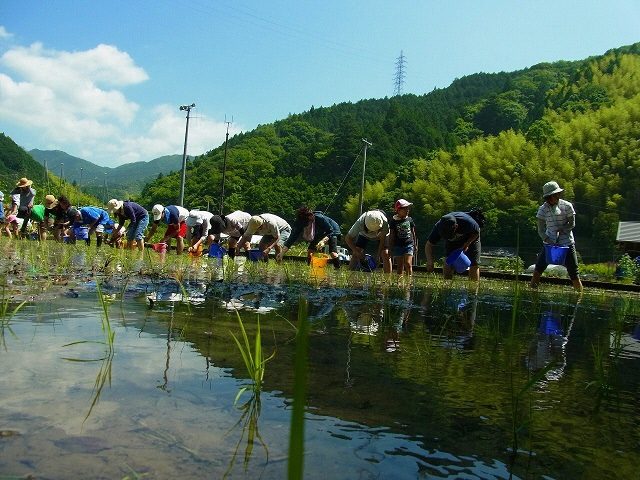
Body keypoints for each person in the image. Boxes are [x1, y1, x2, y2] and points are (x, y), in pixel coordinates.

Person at [530, 181, 583, 292]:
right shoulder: (543, 209)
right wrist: (548, 240)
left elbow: (572, 224)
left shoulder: (567, 206)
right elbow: (541, 230)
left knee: (574, 272)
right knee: (538, 269)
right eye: (555, 195)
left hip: (567, 242)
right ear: (549, 197)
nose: (557, 197)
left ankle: (579, 295)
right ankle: (532, 292)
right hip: (549, 243)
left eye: (558, 194)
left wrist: (563, 229)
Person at [277, 206, 342, 268]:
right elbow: (292, 238)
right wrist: (282, 253)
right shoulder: (301, 222)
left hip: (333, 230)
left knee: (333, 253)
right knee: (310, 251)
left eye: (307, 222)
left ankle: (338, 269)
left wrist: (323, 241)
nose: (306, 224)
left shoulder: (319, 218)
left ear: (311, 216)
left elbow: (330, 231)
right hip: (319, 233)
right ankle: (309, 267)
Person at [425, 211, 481, 281]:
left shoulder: (468, 223)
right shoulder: (438, 227)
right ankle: (447, 286)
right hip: (452, 242)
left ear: (456, 226)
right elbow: (429, 245)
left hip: (471, 237)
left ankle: (473, 288)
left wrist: (467, 243)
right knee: (448, 261)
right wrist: (430, 261)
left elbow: (476, 232)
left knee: (474, 264)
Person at [389, 199, 417, 276]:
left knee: (408, 264)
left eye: (408, 208)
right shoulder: (393, 221)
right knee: (400, 267)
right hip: (398, 246)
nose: (407, 210)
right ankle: (400, 284)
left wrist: (415, 244)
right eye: (405, 208)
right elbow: (392, 235)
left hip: (409, 245)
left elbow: (413, 232)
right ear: (398, 210)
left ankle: (409, 283)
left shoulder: (409, 219)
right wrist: (390, 248)